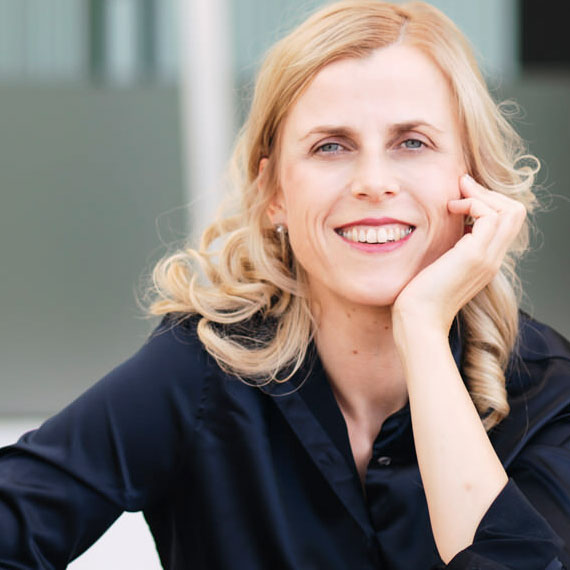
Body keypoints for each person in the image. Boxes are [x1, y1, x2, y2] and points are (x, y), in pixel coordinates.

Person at [1, 1, 569, 568]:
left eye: (412, 142)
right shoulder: (203, 371)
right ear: (273, 192)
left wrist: (421, 330)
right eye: (331, 146)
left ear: (474, 177)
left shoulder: (547, 390)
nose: (374, 182)